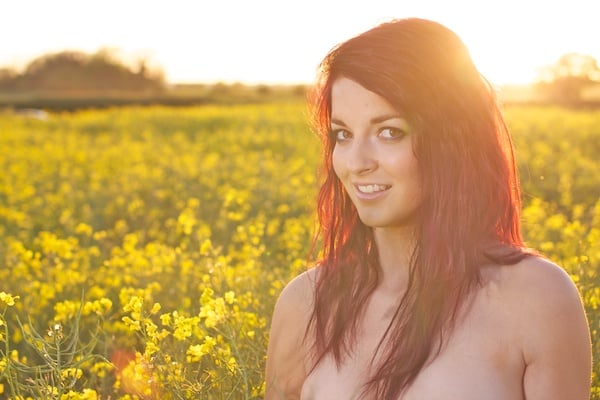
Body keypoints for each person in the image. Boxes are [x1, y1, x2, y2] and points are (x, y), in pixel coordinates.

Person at [265, 17, 592, 400]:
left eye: (390, 132)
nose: (356, 162)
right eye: (343, 134)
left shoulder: (536, 300)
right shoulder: (305, 305)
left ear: (452, 140)